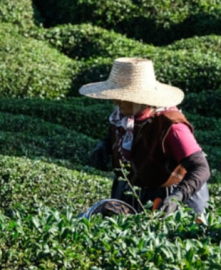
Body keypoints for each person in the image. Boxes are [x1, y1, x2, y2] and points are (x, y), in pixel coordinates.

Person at [79, 57, 210, 216]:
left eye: (122, 96)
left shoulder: (172, 127)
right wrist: (104, 147)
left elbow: (201, 168)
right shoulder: (123, 115)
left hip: (171, 195)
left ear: (139, 98)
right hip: (134, 189)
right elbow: (117, 136)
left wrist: (177, 197)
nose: (116, 101)